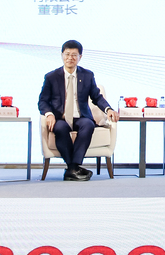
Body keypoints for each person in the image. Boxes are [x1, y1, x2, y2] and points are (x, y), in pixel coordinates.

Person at [37, 40, 117, 181]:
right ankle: (74, 169)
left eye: (74, 55)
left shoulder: (87, 75)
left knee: (88, 125)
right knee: (60, 128)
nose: (70, 58)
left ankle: (72, 168)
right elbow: (43, 101)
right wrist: (49, 114)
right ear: (62, 55)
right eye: (67, 54)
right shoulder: (51, 77)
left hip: (81, 117)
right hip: (60, 117)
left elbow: (96, 97)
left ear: (80, 57)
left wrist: (108, 109)